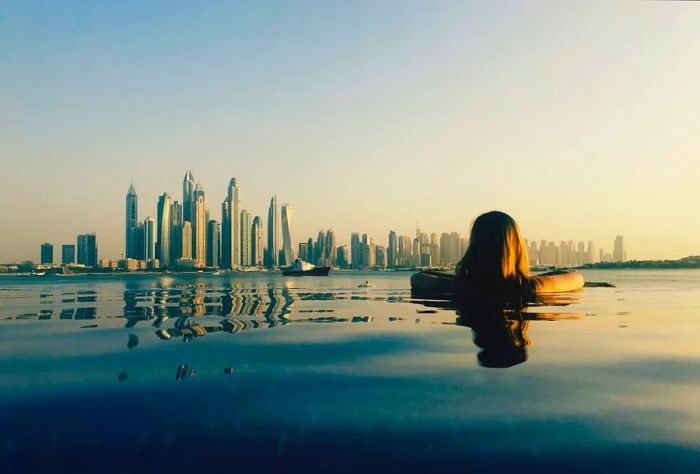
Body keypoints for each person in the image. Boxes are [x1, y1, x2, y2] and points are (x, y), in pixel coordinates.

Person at [410, 211, 584, 299]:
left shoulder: (461, 287)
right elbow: (577, 277)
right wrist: (528, 277)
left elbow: (417, 278)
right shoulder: (531, 287)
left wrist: (461, 277)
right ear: (518, 248)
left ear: (474, 248)